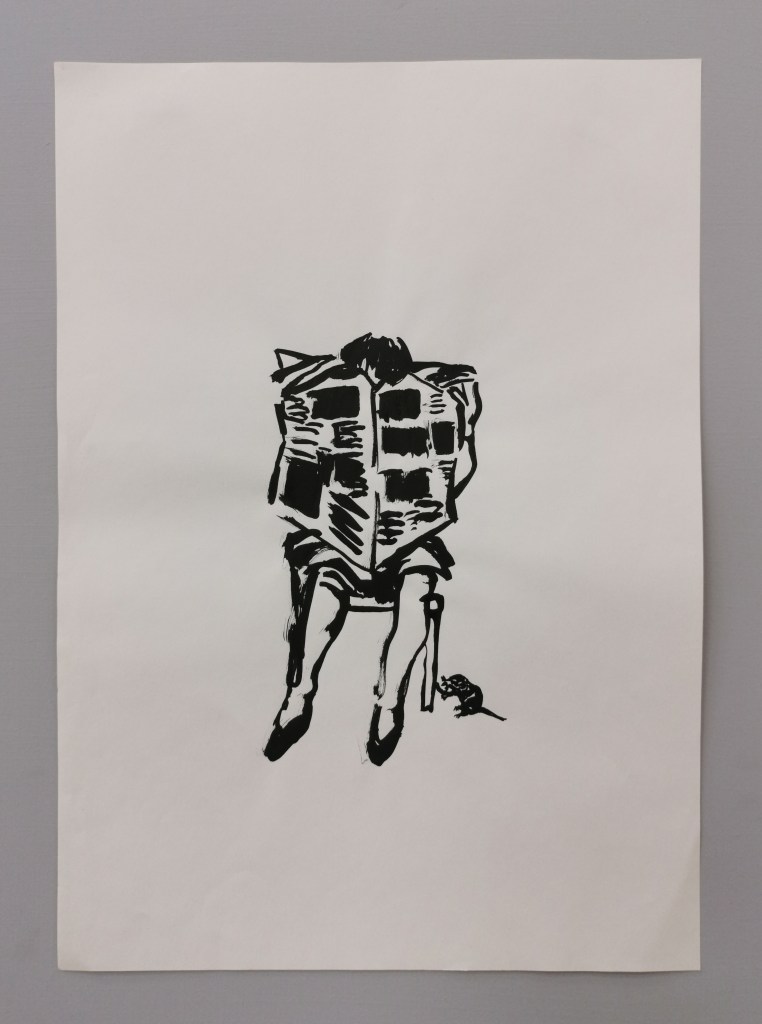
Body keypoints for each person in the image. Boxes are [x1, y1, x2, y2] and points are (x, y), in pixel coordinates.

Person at [263, 334, 479, 765]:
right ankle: (300, 694)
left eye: (385, 377)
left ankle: (390, 701)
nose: (376, 383)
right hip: (336, 534)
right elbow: (294, 476)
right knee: (325, 586)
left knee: (419, 590)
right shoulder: (321, 396)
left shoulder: (434, 400)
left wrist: (464, 434)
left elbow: (456, 472)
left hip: (407, 536)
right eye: (366, 376)